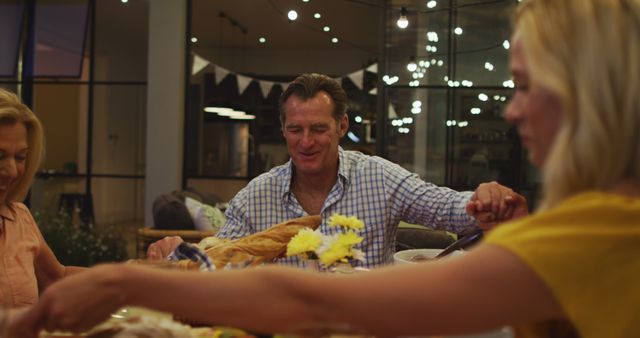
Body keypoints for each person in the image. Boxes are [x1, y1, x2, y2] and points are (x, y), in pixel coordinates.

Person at [10, 0, 639, 336]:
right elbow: (225, 261)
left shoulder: (603, 236)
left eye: (527, 86)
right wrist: (180, 261)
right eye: (294, 129)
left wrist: (127, 285)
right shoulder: (596, 225)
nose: (510, 110)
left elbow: (310, 292)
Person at [148, 73, 527, 267]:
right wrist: (174, 253)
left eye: (319, 129)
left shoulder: (378, 177)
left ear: (342, 126)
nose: (306, 142)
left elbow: (447, 208)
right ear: (283, 131)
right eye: (295, 130)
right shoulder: (256, 196)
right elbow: (220, 258)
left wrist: (486, 200)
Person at [0, 88, 84, 308]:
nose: (11, 171)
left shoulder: (19, 218)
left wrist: (129, 275)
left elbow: (57, 279)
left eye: (20, 157)